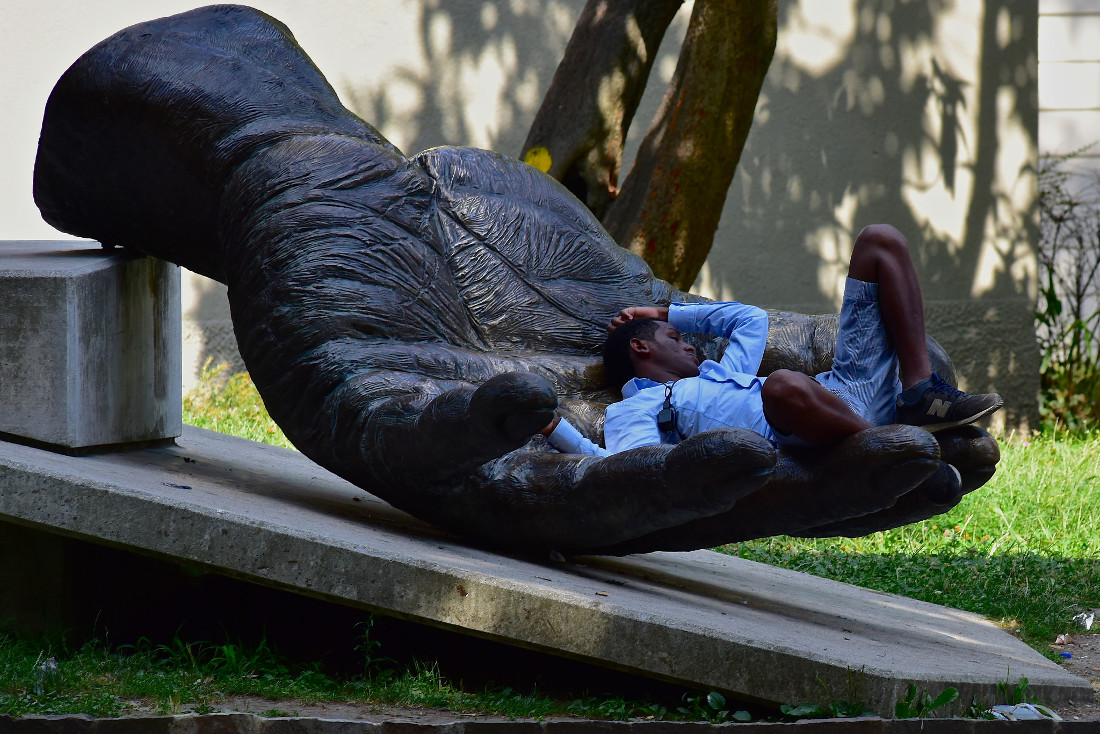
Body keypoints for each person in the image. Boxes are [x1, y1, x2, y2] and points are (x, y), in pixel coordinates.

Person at [541, 224, 1003, 458]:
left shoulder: (723, 373)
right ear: (640, 349)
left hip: (848, 389)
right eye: (674, 337)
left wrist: (664, 312)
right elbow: (622, 466)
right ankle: (889, 452)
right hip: (803, 428)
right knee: (781, 385)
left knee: (879, 241)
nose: (689, 345)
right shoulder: (633, 411)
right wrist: (551, 427)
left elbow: (748, 320)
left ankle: (921, 395)